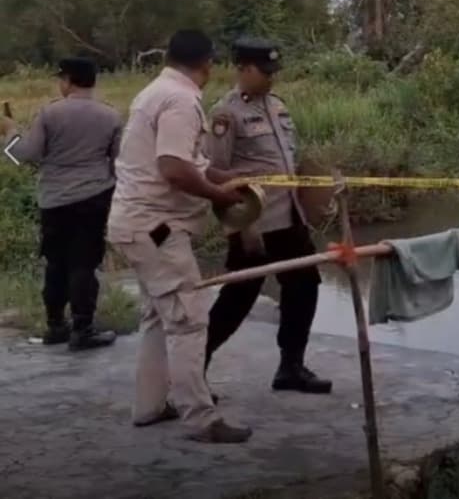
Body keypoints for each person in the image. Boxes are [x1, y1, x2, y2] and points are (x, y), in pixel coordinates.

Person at [107, 29, 252, 443]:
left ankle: (150, 406)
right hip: (155, 227)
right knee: (189, 318)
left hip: (135, 223)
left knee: (159, 316)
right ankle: (200, 418)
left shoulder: (153, 91)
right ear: (207, 64)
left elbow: (188, 162)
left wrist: (228, 179)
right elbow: (172, 167)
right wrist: (216, 193)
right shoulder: (182, 100)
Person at [203, 37, 332, 394]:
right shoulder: (226, 114)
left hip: (288, 217)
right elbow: (214, 173)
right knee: (238, 297)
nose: (272, 78)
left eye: (274, 71)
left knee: (305, 286)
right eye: (265, 71)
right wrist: (241, 227)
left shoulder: (276, 106)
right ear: (243, 69)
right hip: (254, 222)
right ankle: (194, 368)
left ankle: (291, 365)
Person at [1, 58, 121, 349]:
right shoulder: (111, 116)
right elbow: (119, 163)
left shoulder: (49, 113)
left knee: (56, 264)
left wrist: (8, 132)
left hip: (53, 201)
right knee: (84, 264)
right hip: (94, 198)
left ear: (67, 80)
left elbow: (24, 155)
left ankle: (56, 325)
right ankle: (83, 328)